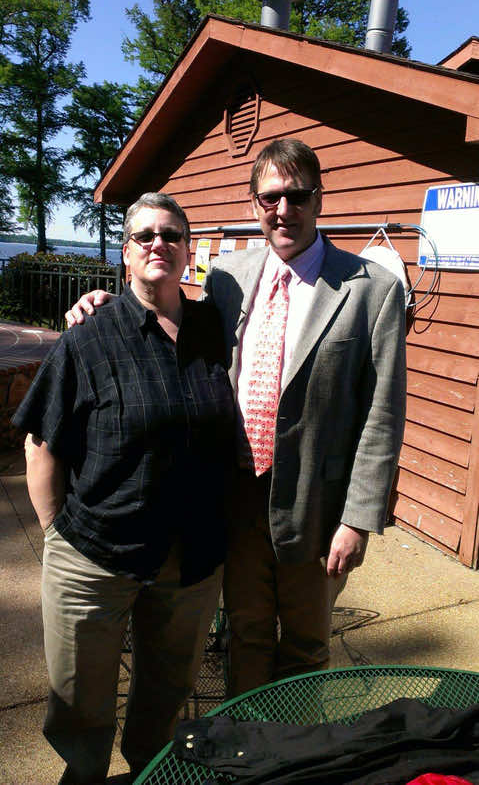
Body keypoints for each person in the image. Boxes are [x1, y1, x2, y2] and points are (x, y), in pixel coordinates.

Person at [66, 138, 407, 700]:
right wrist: (103, 303)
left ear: (318, 199)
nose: (284, 210)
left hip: (317, 508)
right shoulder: (228, 275)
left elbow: (383, 413)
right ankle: (250, 751)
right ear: (254, 205)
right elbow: (172, 316)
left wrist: (358, 519)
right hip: (235, 498)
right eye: (270, 197)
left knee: (306, 645)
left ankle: (295, 756)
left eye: (297, 196)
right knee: (244, 635)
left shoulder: (371, 288)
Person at [13, 193, 235, 784]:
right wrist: (57, 532)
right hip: (97, 556)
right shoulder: (89, 336)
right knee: (81, 705)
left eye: (171, 234)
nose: (159, 244)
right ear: (126, 254)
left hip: (190, 560)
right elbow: (41, 442)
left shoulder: (217, 329)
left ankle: (150, 775)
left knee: (165, 699)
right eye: (145, 236)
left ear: (188, 250)